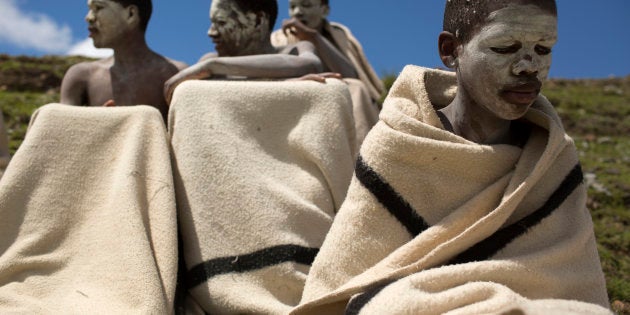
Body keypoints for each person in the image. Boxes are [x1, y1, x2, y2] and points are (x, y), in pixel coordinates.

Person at [290, 0, 612, 314]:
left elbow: (572, 283)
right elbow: (352, 276)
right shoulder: (401, 143)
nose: (530, 66)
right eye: (504, 48)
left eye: (544, 49)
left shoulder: (553, 158)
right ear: (450, 51)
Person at [162, 0, 324, 103]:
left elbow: (311, 64)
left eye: (221, 22)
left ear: (258, 20)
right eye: (212, 23)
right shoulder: (210, 60)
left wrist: (214, 66)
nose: (211, 32)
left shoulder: (294, 50)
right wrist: (283, 84)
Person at [60, 0, 187, 120]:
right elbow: (62, 132)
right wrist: (95, 126)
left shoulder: (176, 74)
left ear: (130, 14)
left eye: (98, 7)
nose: (89, 17)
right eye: (90, 9)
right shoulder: (82, 76)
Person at [271, 0, 384, 102]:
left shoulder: (340, 34)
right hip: (297, 93)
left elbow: (351, 75)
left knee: (356, 88)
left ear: (325, 10)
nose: (297, 12)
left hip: (339, 94)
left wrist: (315, 37)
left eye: (306, 5)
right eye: (292, 7)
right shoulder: (278, 38)